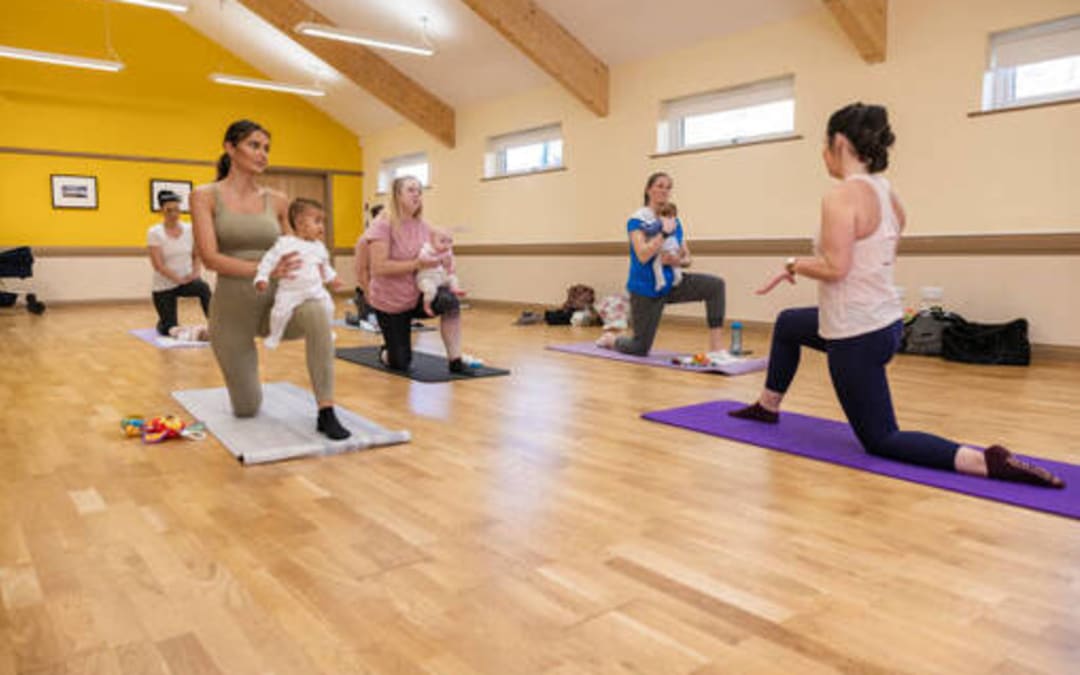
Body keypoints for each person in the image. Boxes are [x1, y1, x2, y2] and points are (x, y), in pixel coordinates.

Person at [731, 102, 1064, 488]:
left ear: (839, 142)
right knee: (790, 323)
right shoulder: (885, 190)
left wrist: (794, 265)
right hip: (885, 322)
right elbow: (890, 234)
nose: (822, 153)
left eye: (824, 144)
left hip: (855, 333)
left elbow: (837, 268)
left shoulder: (840, 196)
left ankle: (984, 461)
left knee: (881, 438)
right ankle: (767, 407)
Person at [191, 119, 350, 440]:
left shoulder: (277, 200)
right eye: (254, 145)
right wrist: (262, 268)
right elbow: (209, 258)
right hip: (233, 311)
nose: (262, 154)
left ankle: (326, 409)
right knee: (247, 407)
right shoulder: (204, 196)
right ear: (230, 148)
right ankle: (201, 332)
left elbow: (296, 249)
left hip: (278, 301)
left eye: (266, 148)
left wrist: (320, 271)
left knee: (319, 314)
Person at [596, 172, 726, 355]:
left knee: (715, 286)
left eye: (668, 187)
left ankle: (717, 348)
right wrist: (663, 233)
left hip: (671, 282)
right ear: (649, 190)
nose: (664, 191)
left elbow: (688, 258)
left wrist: (677, 261)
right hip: (646, 288)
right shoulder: (637, 220)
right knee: (639, 348)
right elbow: (642, 255)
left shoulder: (674, 220)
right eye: (660, 186)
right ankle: (613, 339)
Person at [366, 176, 472, 375]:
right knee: (400, 362)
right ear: (397, 195)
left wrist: (446, 260)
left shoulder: (424, 227)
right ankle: (386, 351)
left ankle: (455, 360)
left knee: (450, 301)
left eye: (419, 190)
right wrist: (417, 264)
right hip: (390, 302)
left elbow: (441, 250)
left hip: (417, 295)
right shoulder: (382, 225)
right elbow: (378, 268)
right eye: (411, 190)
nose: (417, 194)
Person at [255, 198, 342, 349]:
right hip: (290, 291)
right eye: (317, 221)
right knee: (279, 313)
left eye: (323, 222)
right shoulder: (285, 243)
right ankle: (275, 335)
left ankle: (326, 330)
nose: (322, 227)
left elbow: (324, 266)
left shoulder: (319, 247)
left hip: (315, 289)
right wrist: (262, 277)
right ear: (300, 223)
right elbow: (268, 261)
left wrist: (332, 278)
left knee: (328, 307)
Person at [147, 190, 212, 336]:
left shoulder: (190, 229)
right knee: (168, 328)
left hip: (187, 280)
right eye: (169, 210)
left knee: (203, 287)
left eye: (177, 209)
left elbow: (197, 254)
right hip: (164, 285)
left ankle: (216, 324)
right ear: (161, 211)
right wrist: (177, 279)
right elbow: (158, 265)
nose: (173, 214)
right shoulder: (154, 232)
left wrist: (195, 273)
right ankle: (163, 322)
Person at [415, 228, 464, 317]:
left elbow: (451, 262)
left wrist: (451, 268)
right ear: (432, 241)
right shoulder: (427, 249)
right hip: (427, 278)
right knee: (430, 290)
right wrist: (436, 260)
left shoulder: (448, 252)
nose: (446, 245)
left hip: (441, 277)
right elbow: (422, 259)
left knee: (453, 278)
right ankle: (427, 305)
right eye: (442, 241)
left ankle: (455, 288)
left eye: (450, 241)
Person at [353, 203, 383, 326]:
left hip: (385, 289)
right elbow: (360, 270)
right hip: (369, 288)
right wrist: (368, 292)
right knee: (368, 321)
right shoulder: (365, 239)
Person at [651, 203, 683, 291]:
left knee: (656, 264)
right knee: (674, 261)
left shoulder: (661, 221)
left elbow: (652, 229)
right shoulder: (675, 221)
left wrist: (645, 228)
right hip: (674, 244)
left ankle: (660, 281)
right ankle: (678, 276)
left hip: (666, 244)